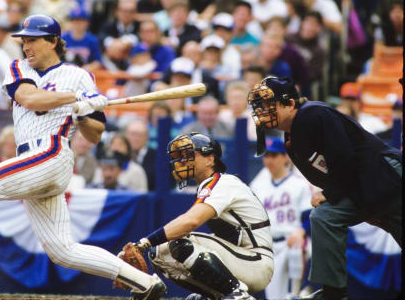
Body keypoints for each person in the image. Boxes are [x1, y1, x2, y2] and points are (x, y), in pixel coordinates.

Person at [0, 14, 166, 300]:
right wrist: (74, 98)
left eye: (32, 40)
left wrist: (85, 114)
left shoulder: (80, 75)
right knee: (63, 251)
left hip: (52, 153)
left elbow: (94, 135)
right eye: (24, 40)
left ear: (53, 41)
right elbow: (31, 99)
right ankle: (145, 282)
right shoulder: (18, 67)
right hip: (31, 160)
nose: (26, 46)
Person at [247, 76, 402, 300]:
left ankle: (334, 292)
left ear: (290, 104)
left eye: (269, 105)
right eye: (259, 106)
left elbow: (345, 159)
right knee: (324, 216)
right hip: (365, 188)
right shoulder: (291, 138)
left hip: (386, 178)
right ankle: (334, 292)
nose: (262, 111)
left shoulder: (312, 114)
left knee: (324, 215)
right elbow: (330, 174)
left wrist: (330, 195)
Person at [130, 132, 274, 299]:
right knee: (159, 252)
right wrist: (150, 245)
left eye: (188, 154)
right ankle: (215, 295)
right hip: (241, 259)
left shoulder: (223, 182)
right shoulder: (208, 185)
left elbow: (191, 221)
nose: (182, 160)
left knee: (178, 243)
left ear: (210, 159)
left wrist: (144, 243)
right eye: (179, 156)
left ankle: (237, 294)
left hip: (256, 261)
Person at [250, 137, 312, 299]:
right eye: (267, 155)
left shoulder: (299, 184)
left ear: (285, 157)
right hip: (268, 245)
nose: (269, 159)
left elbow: (309, 217)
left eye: (274, 155)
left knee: (296, 250)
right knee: (274, 297)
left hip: (292, 242)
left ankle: (298, 291)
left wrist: (301, 231)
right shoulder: (258, 186)